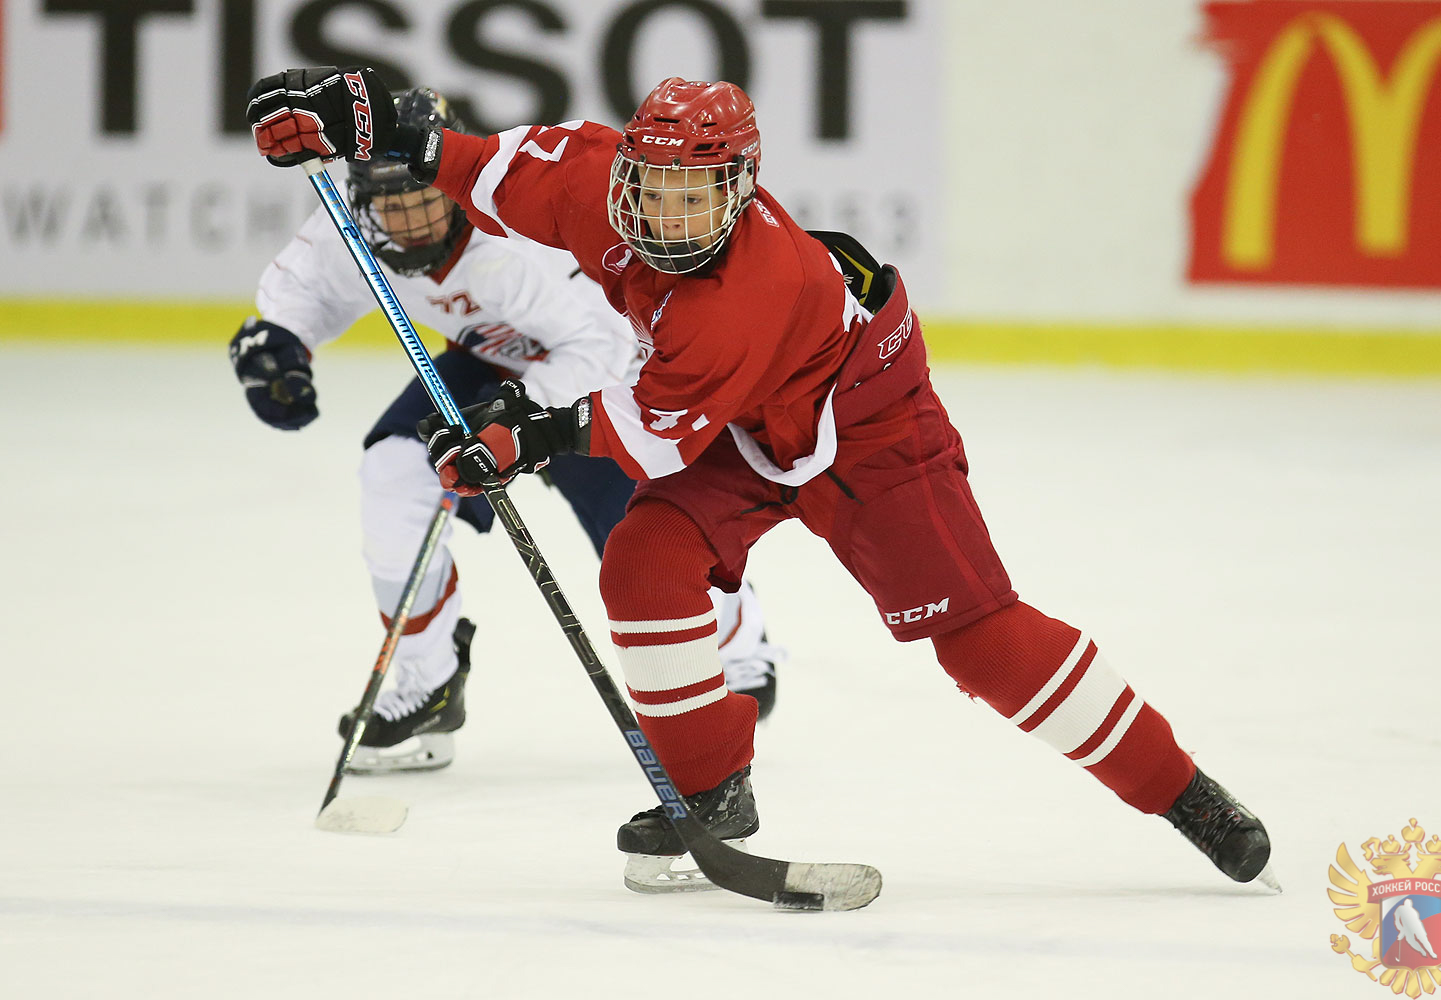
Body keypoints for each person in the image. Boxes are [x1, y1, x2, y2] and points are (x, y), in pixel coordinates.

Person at [246, 68, 1276, 893]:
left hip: (868, 427)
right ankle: (714, 793)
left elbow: (647, 434)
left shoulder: (744, 292)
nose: (670, 214)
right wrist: (355, 111)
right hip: (749, 421)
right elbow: (462, 157)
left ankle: (1184, 792)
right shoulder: (593, 176)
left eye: (698, 195)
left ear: (737, 191)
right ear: (630, 172)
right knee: (645, 561)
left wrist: (525, 431)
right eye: (655, 187)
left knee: (982, 645)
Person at [232, 86, 784, 775]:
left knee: (647, 538)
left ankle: (739, 650)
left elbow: (603, 346)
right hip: (490, 361)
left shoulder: (518, 242)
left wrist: (514, 416)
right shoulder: (352, 219)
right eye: (390, 207)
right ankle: (428, 682)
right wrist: (278, 348)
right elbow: (303, 291)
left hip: (601, 380)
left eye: (421, 201)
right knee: (394, 472)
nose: (406, 223)